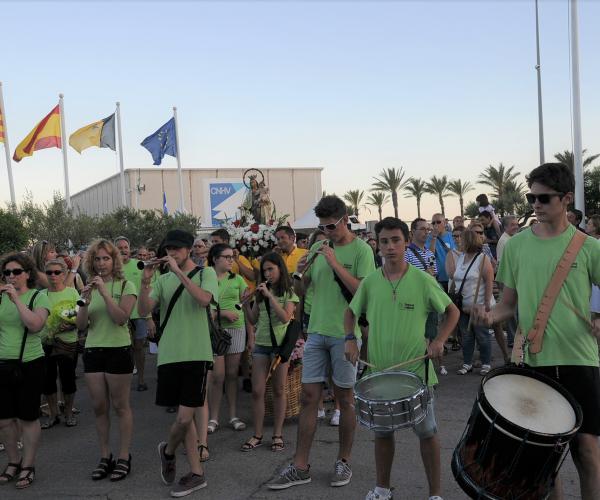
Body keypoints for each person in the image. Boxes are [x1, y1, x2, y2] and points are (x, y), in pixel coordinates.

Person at [473, 163, 600, 500]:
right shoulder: (515, 247)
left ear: (567, 198)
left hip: (579, 358)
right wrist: (489, 316)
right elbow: (509, 305)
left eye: (543, 197)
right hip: (533, 360)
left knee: (587, 450)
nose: (535, 204)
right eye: (531, 197)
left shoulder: (589, 248)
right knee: (544, 457)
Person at [344, 217, 459, 500]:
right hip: (380, 372)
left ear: (406, 241)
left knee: (428, 432)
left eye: (396, 240)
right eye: (384, 241)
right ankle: (382, 489)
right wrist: (350, 339)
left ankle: (435, 494)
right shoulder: (370, 281)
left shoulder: (422, 280)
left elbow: (452, 311)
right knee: (383, 434)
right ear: (379, 245)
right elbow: (350, 313)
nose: (390, 247)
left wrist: (440, 340)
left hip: (416, 373)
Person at [268, 195, 375, 490]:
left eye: (331, 226)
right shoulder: (317, 246)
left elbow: (361, 292)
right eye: (323, 227)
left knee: (345, 400)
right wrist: (301, 272)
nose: (326, 232)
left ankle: (344, 461)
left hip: (345, 334)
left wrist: (334, 262)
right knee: (308, 398)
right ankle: (300, 466)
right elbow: (303, 289)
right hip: (316, 332)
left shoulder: (362, 250)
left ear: (345, 219)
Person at [138, 229, 218, 498]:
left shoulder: (206, 273)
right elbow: (141, 311)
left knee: (186, 417)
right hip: (169, 354)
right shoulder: (162, 280)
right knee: (183, 420)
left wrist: (179, 273)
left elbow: (204, 300)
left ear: (189, 249)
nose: (170, 254)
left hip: (197, 353)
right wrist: (145, 282)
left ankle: (168, 451)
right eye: (167, 250)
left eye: (175, 249)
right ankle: (196, 474)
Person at [75, 239, 136, 482]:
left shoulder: (125, 285)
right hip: (93, 350)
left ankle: (123, 456)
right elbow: (81, 326)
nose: (101, 263)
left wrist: (104, 293)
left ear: (114, 260)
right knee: (99, 407)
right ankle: (105, 455)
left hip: (118, 349)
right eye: (97, 259)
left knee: (121, 406)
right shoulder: (89, 287)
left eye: (106, 258)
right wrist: (84, 303)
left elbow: (121, 318)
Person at [240, 252, 299, 453]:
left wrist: (270, 296)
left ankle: (277, 434)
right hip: (262, 345)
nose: (267, 273)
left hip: (280, 345)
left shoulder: (289, 292)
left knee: (279, 390)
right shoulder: (260, 293)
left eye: (270, 269)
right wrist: (245, 305)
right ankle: (257, 434)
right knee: (257, 391)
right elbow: (254, 319)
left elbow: (285, 317)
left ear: (280, 269)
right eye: (264, 270)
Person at [0, 253, 50, 490]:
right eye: (7, 272)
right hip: (3, 364)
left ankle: (28, 465)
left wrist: (16, 300)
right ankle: (13, 461)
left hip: (30, 363)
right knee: (4, 419)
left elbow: (35, 325)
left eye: (16, 272)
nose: (11, 276)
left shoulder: (39, 296)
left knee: (28, 417)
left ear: (27, 274)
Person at [206, 243, 248, 440]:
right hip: (215, 331)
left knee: (232, 374)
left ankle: (232, 415)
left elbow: (246, 308)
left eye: (232, 256)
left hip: (236, 329)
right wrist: (223, 313)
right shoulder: (206, 278)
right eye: (227, 256)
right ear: (214, 259)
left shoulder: (238, 279)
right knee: (217, 376)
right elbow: (203, 305)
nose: (231, 260)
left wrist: (252, 335)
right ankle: (213, 418)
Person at [40, 259, 80, 429]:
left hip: (68, 342)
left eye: (57, 272)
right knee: (48, 381)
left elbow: (81, 314)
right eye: (49, 273)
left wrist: (71, 324)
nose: (53, 276)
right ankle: (53, 414)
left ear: (64, 274)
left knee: (68, 380)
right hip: (46, 342)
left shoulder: (73, 293)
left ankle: (69, 412)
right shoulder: (41, 294)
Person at [406, 219, 446, 375]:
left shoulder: (429, 253)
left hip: (428, 301)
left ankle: (428, 369)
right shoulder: (406, 253)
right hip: (414, 302)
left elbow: (433, 275)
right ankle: (419, 369)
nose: (426, 232)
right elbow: (404, 279)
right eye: (422, 229)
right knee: (417, 336)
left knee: (430, 334)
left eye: (428, 230)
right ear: (412, 232)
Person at [115, 236, 155, 392]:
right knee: (124, 349)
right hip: (121, 315)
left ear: (129, 249)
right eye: (119, 248)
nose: (123, 250)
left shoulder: (139, 265)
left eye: (125, 247)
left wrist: (150, 317)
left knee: (139, 348)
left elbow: (147, 291)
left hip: (139, 315)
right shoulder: (112, 268)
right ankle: (124, 382)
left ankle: (141, 379)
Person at [454, 227, 495, 376]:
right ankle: (467, 362)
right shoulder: (460, 258)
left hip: (478, 305)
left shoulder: (482, 258)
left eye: (461, 239)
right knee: (466, 336)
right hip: (462, 305)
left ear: (468, 241)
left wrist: (486, 304)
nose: (458, 241)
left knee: (482, 335)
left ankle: (486, 363)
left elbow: (489, 280)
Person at [426, 213, 456, 292]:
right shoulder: (429, 238)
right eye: (433, 223)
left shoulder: (453, 236)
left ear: (445, 223)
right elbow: (430, 255)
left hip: (453, 278)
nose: (436, 225)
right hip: (438, 279)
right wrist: (434, 237)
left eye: (438, 222)